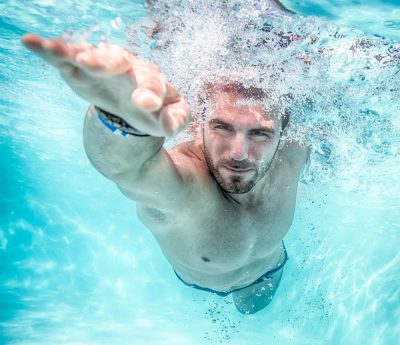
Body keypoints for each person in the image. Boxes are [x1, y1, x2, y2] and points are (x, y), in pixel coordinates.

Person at [21, 5, 308, 313]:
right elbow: (129, 169)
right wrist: (120, 116)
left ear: (284, 132)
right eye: (222, 127)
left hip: (269, 271)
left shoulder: (296, 150)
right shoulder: (187, 184)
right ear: (199, 122)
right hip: (200, 281)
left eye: (260, 134)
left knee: (252, 312)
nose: (239, 153)